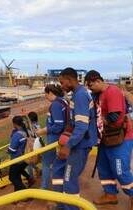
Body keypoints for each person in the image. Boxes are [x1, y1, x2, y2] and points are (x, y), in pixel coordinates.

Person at [85, 70, 133, 208]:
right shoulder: (99, 95)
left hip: (120, 137)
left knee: (120, 169)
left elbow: (115, 116)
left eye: (91, 86)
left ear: (98, 81)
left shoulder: (112, 91)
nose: (90, 89)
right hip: (106, 137)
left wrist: (97, 123)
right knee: (103, 167)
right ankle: (110, 194)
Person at [56, 67, 98, 210]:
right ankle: (63, 205)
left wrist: (68, 145)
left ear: (69, 80)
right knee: (65, 174)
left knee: (69, 178)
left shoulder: (80, 95)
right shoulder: (78, 94)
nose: (61, 86)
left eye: (62, 83)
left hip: (80, 145)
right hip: (80, 143)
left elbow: (81, 127)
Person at [36, 84, 67, 193]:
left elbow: (58, 126)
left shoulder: (55, 105)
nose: (45, 96)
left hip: (55, 139)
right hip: (61, 138)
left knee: (46, 162)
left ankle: (44, 188)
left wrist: (43, 131)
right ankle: (61, 187)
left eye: (45, 94)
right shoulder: (63, 101)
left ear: (50, 92)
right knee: (59, 163)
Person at [8, 116, 33, 191]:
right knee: (17, 175)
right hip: (27, 158)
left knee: (12, 177)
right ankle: (18, 193)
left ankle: (24, 192)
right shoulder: (27, 131)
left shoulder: (17, 135)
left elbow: (12, 149)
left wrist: (8, 150)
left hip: (18, 159)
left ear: (15, 124)